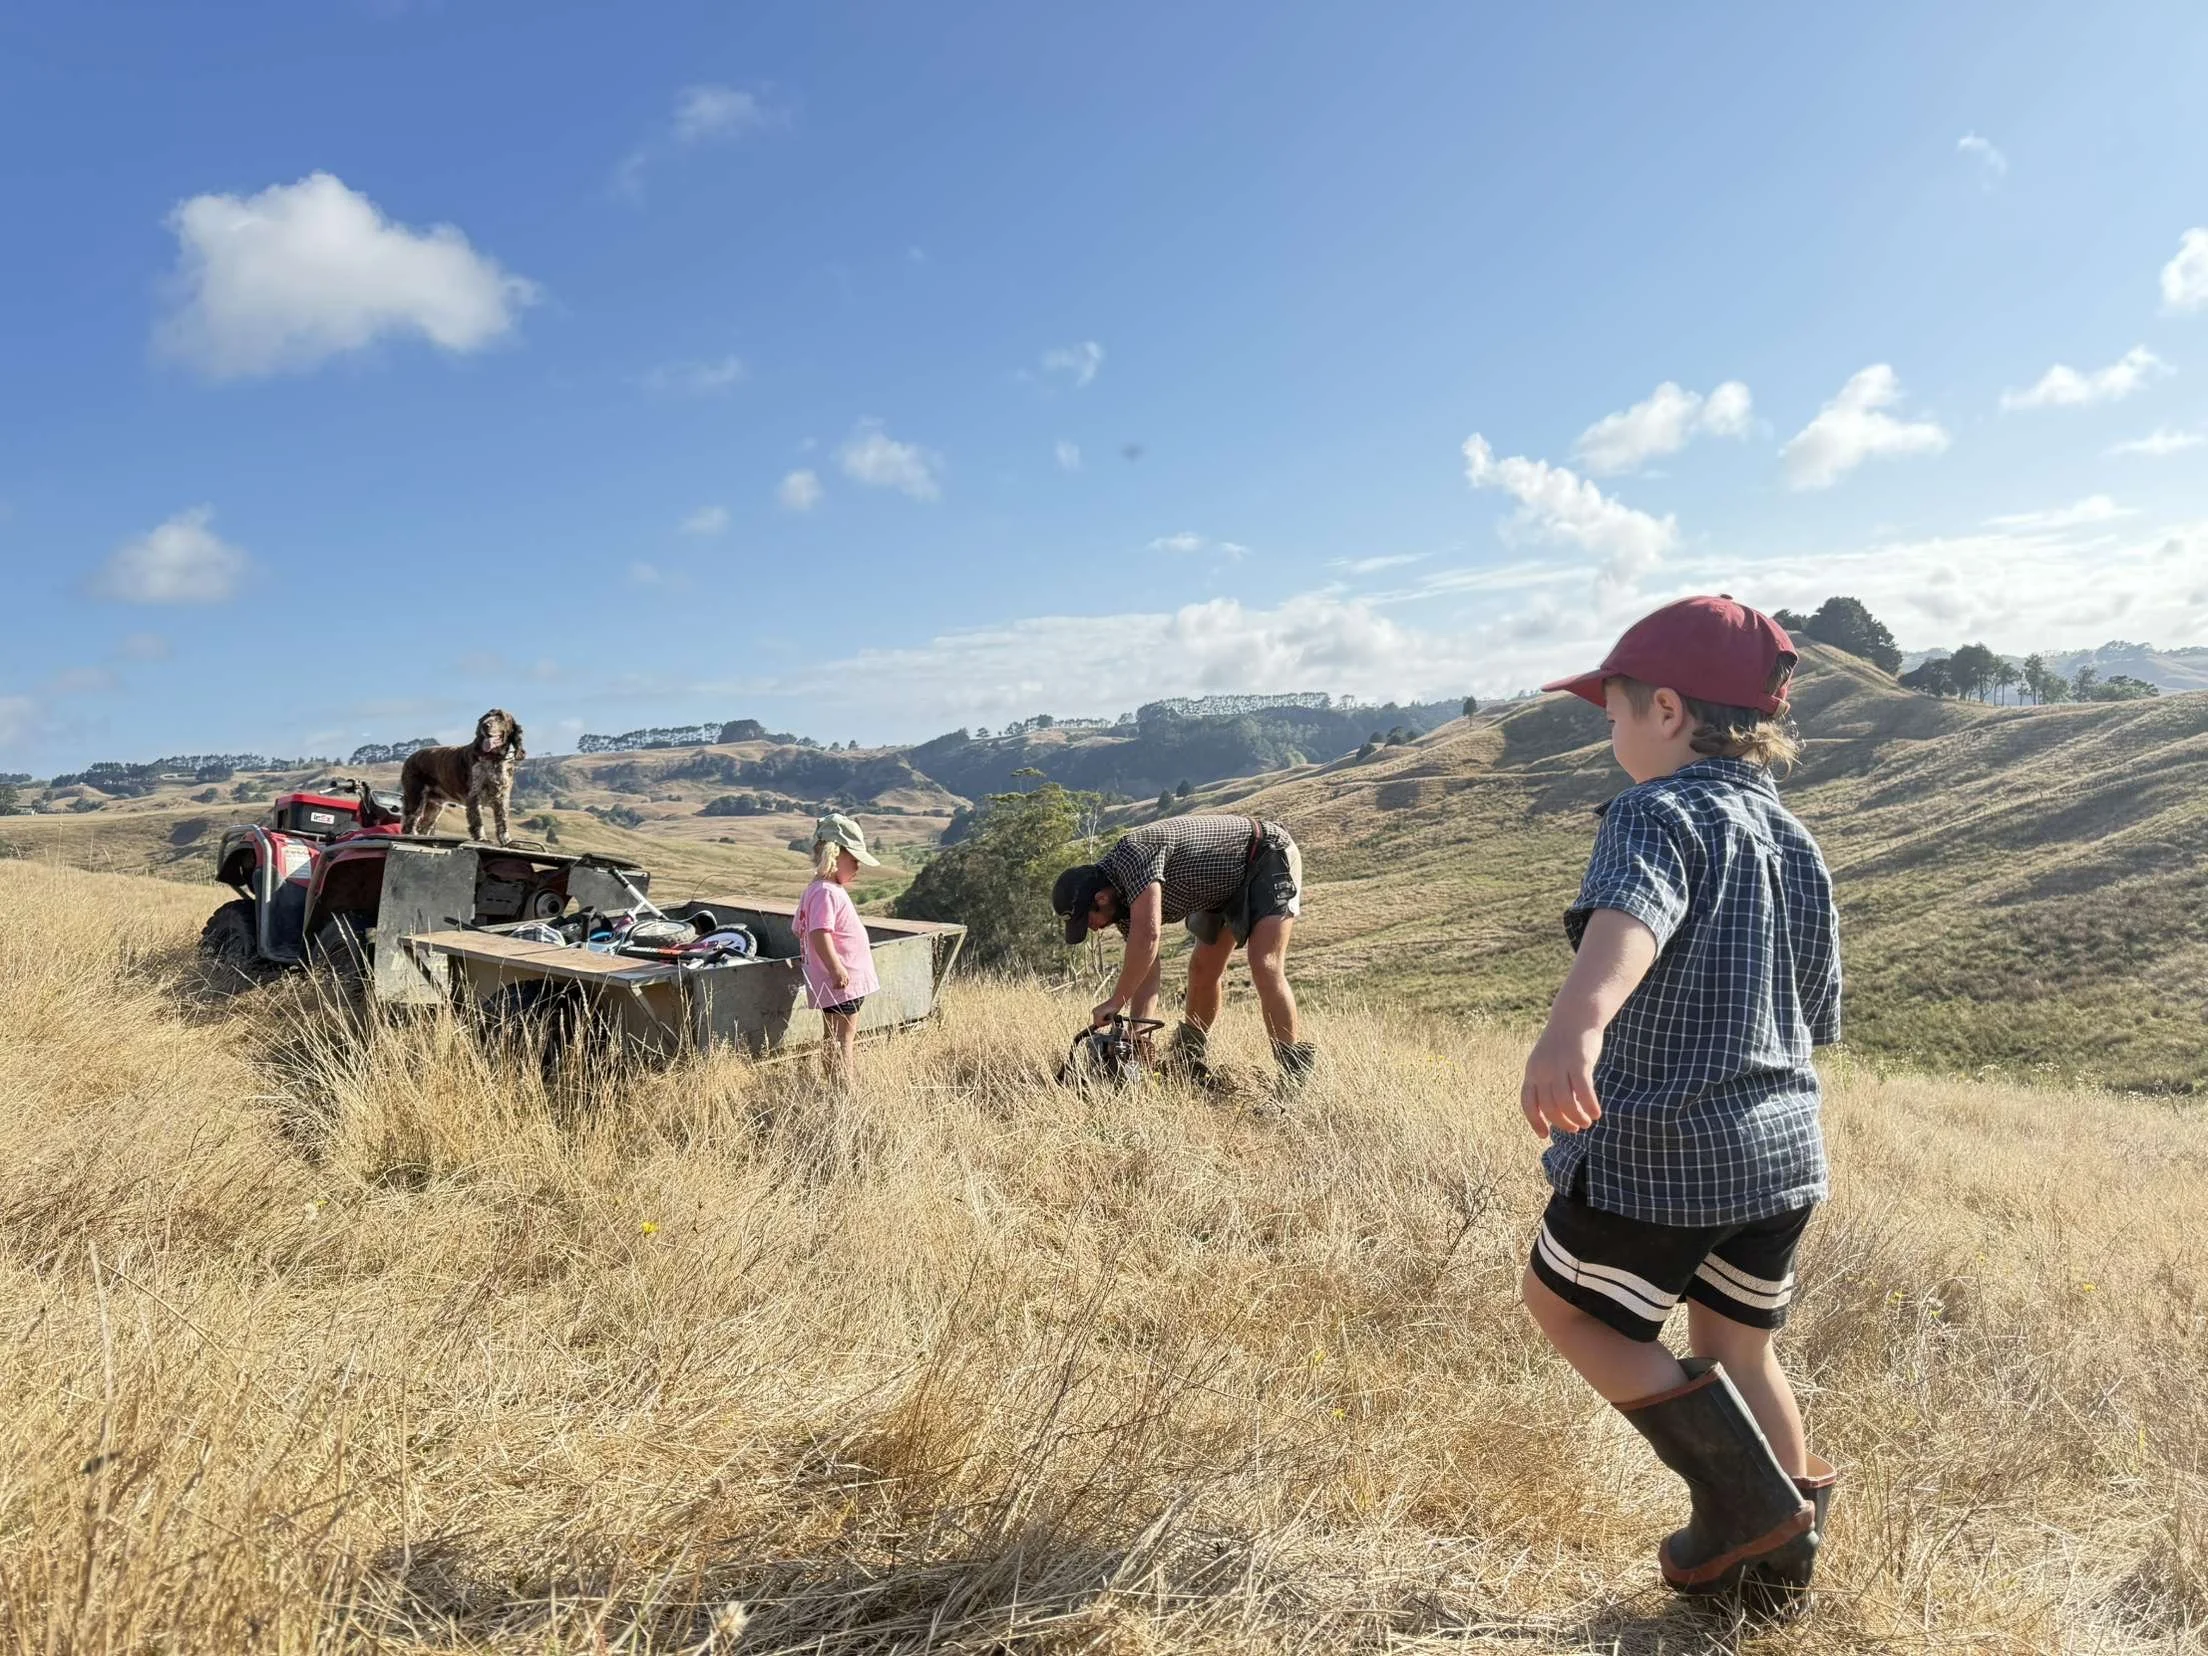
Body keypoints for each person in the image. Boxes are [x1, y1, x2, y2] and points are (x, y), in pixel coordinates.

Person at [1515, 596, 1843, 1619]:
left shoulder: (1657, 814)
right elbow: (1814, 1003)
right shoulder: (1794, 840)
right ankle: (1783, 1559)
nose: (1608, 735)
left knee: (1563, 1304)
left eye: (1611, 713)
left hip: (1672, 1144)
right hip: (1784, 1150)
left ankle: (1743, 1510)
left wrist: (1578, 1025)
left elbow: (1632, 918)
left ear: (1666, 709)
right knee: (1740, 1345)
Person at [1050, 814, 1315, 1093]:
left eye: (1089, 920)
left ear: (1100, 899)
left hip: (1264, 856)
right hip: (1220, 888)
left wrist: (1116, 1000)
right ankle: (1189, 1061)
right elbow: (1147, 969)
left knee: (1265, 964)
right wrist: (1136, 1034)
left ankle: (1292, 1081)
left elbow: (1149, 937)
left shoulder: (1133, 856)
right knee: (1202, 970)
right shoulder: (1122, 904)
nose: (1094, 929)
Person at [796, 812, 881, 1083]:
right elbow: (819, 932)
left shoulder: (817, 888)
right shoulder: (826, 892)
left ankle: (836, 1082)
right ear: (834, 855)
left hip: (837, 981)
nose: (857, 866)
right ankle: (845, 1087)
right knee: (844, 1038)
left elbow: (799, 927)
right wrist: (836, 969)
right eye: (854, 859)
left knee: (834, 1037)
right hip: (843, 982)